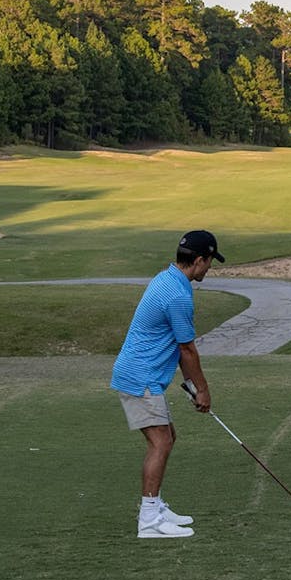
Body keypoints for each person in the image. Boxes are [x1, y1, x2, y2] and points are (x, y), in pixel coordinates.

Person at [110, 230, 225, 538]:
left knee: (167, 436)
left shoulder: (169, 279)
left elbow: (176, 345)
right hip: (140, 376)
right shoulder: (177, 294)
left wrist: (189, 383)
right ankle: (149, 519)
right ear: (199, 261)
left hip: (142, 373)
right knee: (160, 442)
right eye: (210, 262)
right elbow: (187, 349)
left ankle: (156, 507)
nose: (210, 268)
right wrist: (202, 389)